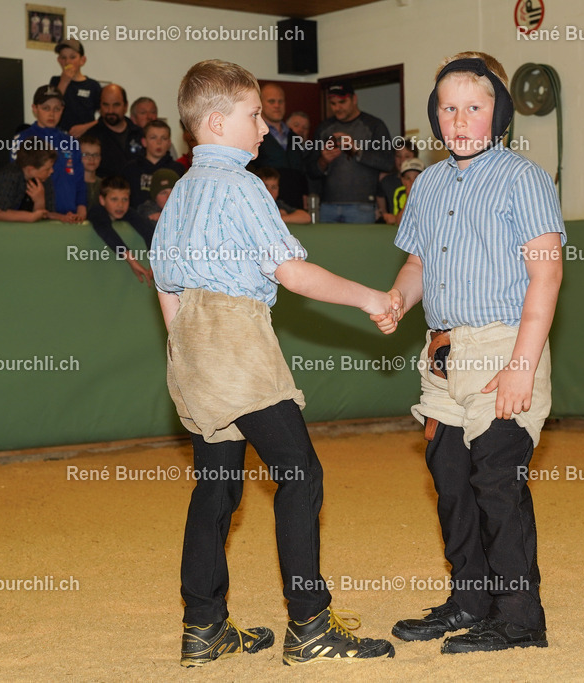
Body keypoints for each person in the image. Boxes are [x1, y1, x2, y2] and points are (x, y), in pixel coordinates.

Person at [150, 58, 397, 668]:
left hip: (192, 341)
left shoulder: (180, 191)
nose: (264, 127)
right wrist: (370, 297)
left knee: (216, 486)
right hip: (235, 335)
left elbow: (165, 282)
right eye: (254, 114)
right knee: (299, 473)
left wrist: (185, 348)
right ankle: (311, 625)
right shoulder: (242, 187)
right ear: (215, 121)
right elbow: (290, 273)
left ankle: (203, 626)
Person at [373, 51, 564, 655]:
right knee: (451, 480)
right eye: (447, 108)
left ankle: (519, 617)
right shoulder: (426, 184)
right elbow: (418, 264)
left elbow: (547, 276)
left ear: (498, 114)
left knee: (496, 482)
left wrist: (521, 366)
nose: (458, 120)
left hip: (504, 344)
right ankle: (470, 598)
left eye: (473, 108)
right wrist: (400, 301)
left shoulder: (523, 178)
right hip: (444, 354)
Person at [305, 82, 394, 224]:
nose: (337, 108)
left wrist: (357, 150)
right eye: (333, 104)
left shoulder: (374, 125)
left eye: (342, 102)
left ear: (354, 99)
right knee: (327, 246)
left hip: (363, 205)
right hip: (328, 206)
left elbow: (388, 163)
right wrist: (323, 161)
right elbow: (310, 170)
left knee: (361, 246)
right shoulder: (324, 128)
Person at [13, 86, 86, 222]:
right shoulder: (23, 139)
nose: (51, 114)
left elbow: (80, 180)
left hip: (70, 217)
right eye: (46, 108)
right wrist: (49, 214)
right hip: (35, 218)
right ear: (35, 109)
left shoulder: (71, 142)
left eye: (57, 109)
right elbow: (18, 181)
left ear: (62, 110)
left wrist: (81, 209)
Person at [247, 83, 307, 210]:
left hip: (296, 209)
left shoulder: (294, 136)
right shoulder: (252, 134)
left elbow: (303, 170)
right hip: (266, 208)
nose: (277, 105)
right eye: (271, 101)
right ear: (260, 104)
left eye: (281, 101)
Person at [88, 175, 156, 285]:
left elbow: (148, 231)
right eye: (114, 199)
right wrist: (131, 260)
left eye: (125, 199)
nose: (120, 205)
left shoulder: (129, 212)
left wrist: (155, 262)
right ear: (102, 200)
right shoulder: (96, 212)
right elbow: (106, 231)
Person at [0, 145, 57, 223]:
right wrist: (30, 217)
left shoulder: (44, 179)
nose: (51, 171)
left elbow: (43, 216)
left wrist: (39, 202)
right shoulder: (8, 177)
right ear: (30, 169)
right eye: (47, 169)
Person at [122, 120, 185, 204]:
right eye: (153, 137)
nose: (158, 142)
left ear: (169, 143)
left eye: (164, 138)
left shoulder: (178, 170)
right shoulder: (131, 169)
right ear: (144, 142)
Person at [89, 84, 143, 177]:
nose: (110, 110)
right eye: (106, 105)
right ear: (100, 106)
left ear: (125, 106)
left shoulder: (141, 134)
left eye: (116, 105)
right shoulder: (91, 137)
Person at [50, 38, 101, 137]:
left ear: (82, 60)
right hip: (60, 137)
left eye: (72, 57)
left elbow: (105, 117)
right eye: (63, 58)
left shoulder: (92, 85)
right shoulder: (56, 81)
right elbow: (52, 107)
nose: (68, 61)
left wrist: (85, 127)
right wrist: (64, 81)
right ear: (59, 60)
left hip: (86, 139)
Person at [378, 141, 417, 221]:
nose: (402, 160)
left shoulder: (425, 180)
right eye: (398, 156)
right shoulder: (386, 181)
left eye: (407, 156)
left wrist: (395, 219)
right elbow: (383, 211)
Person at [381, 158, 424, 225]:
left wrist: (395, 218)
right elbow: (400, 221)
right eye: (408, 178)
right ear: (403, 180)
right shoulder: (399, 193)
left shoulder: (430, 193)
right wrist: (409, 197)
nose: (412, 182)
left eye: (416, 177)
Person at [78, 134, 103, 209]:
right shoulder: (70, 184)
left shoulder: (104, 184)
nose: (91, 159)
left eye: (96, 155)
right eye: (86, 154)